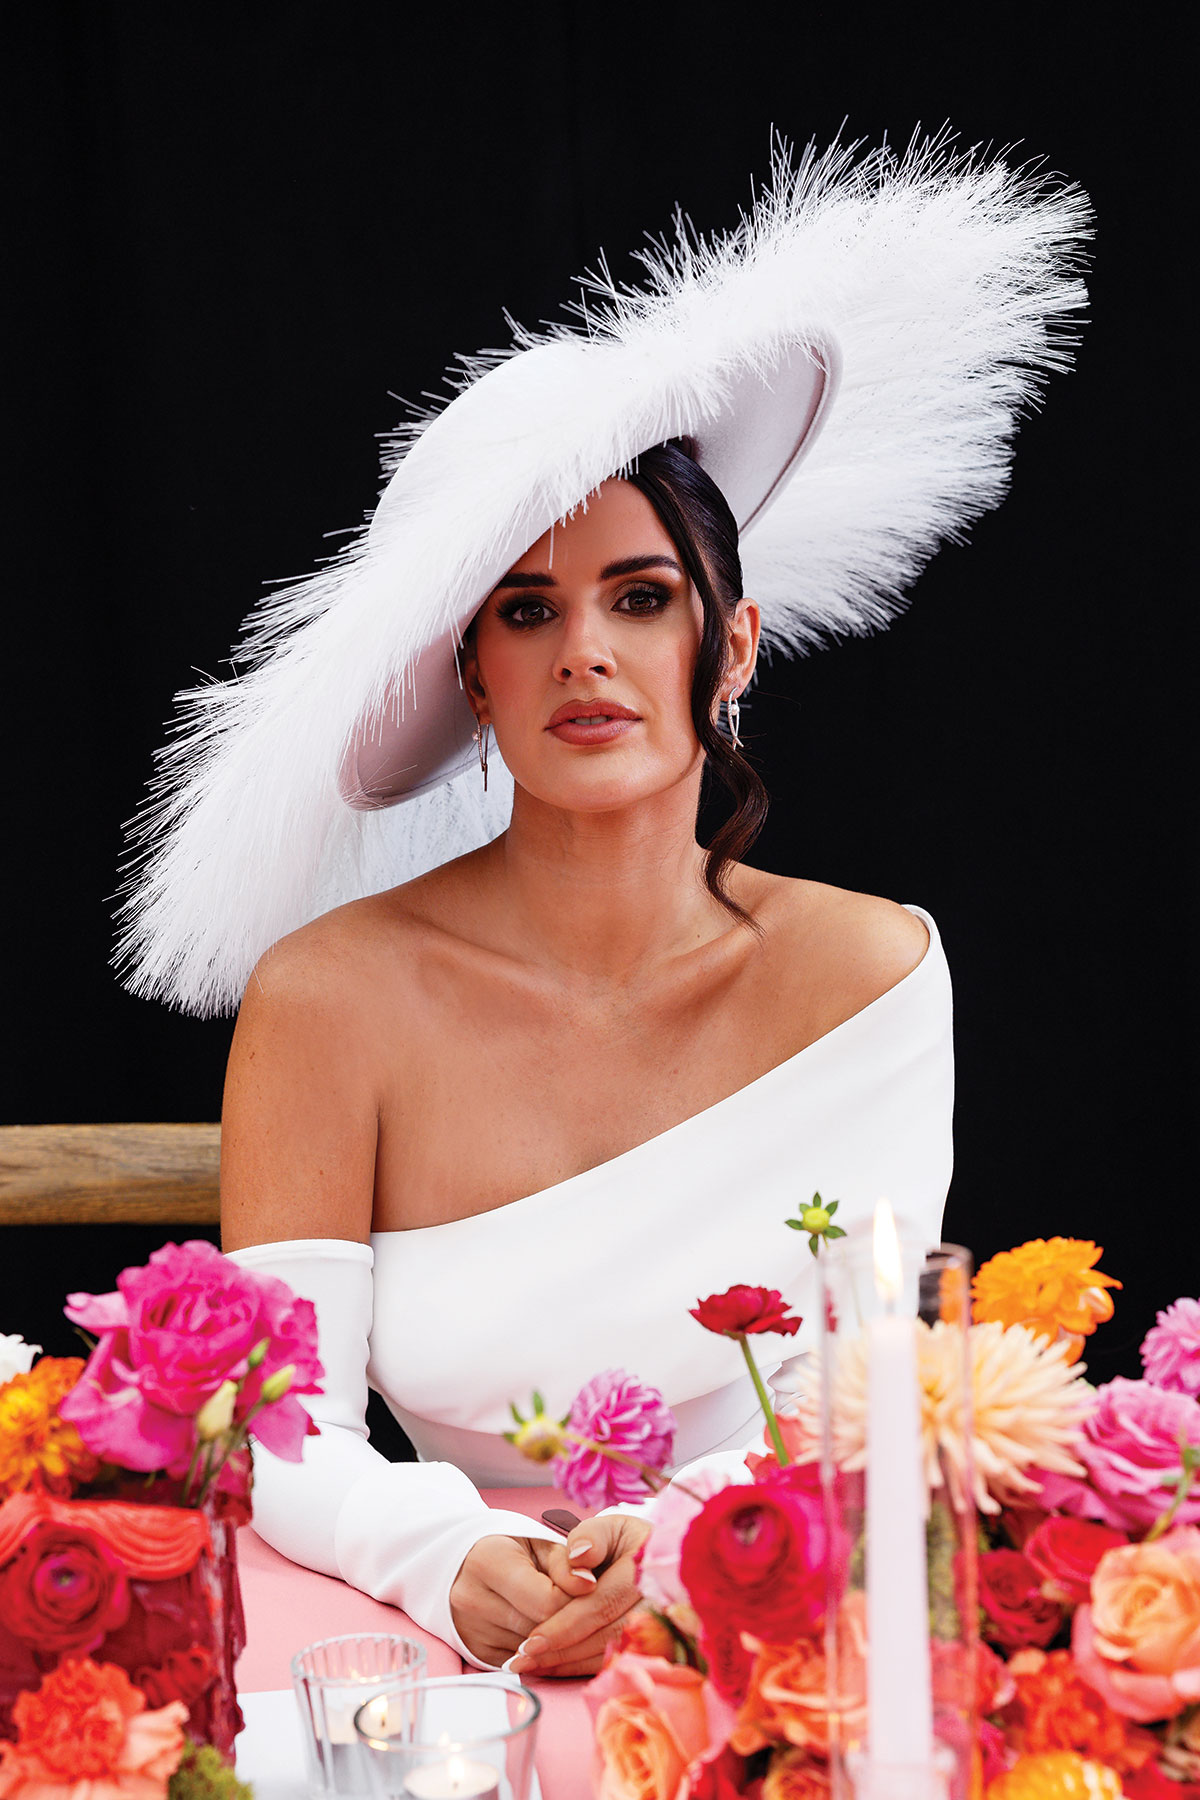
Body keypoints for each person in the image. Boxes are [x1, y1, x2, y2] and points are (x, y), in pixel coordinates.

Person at [117, 135, 1090, 1677]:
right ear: (474, 680)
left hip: (776, 1624)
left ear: (736, 642)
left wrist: (696, 1544)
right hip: (424, 1655)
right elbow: (286, 1434)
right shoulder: (332, 998)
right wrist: (451, 1561)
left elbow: (864, 1385)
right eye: (526, 610)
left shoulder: (875, 974)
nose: (586, 653)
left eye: (640, 598)